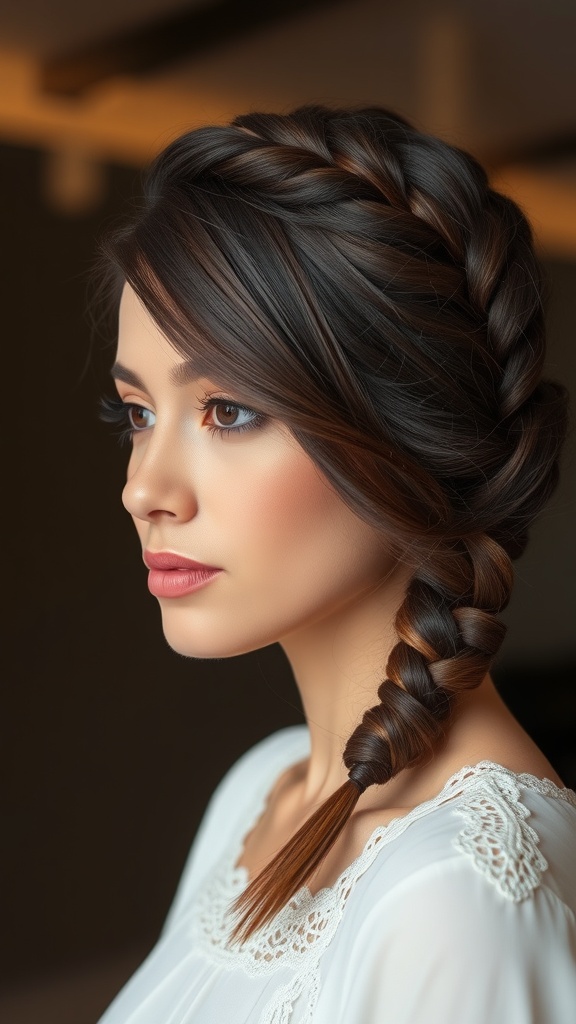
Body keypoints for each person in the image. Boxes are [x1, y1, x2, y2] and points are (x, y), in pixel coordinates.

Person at [96, 104, 576, 1023]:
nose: (144, 489)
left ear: (404, 431)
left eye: (227, 411)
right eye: (138, 413)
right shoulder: (260, 790)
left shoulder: (460, 899)